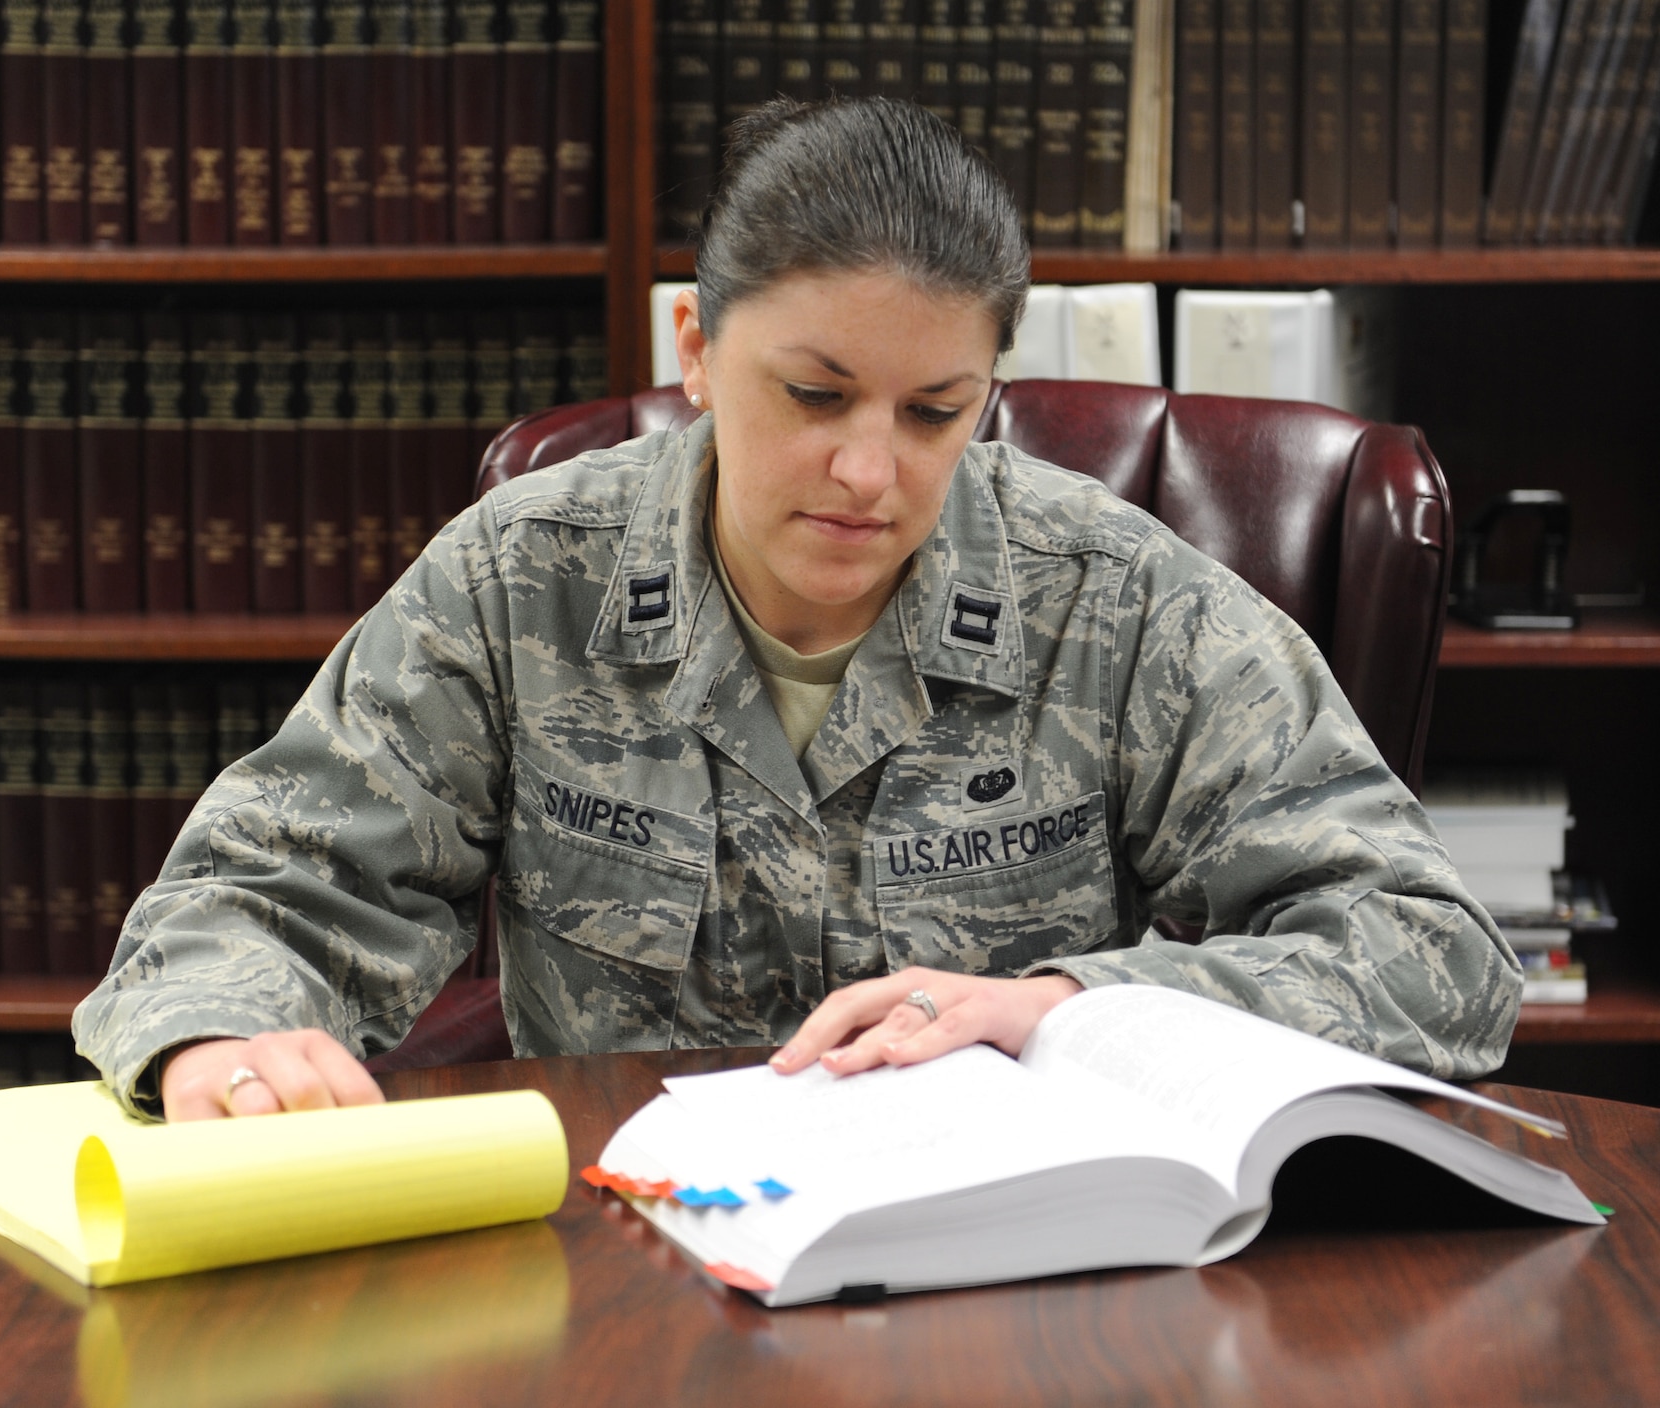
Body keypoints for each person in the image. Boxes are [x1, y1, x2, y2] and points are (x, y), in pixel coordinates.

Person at [74, 96, 1520, 1123]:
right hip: (631, 1267)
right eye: (814, 395)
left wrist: (1078, 1003)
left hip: (1021, 1275)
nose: (870, 471)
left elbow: (1435, 957)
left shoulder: (1120, 604)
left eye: (935, 411)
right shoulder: (526, 578)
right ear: (696, 350)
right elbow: (259, 891)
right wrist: (224, 1034)